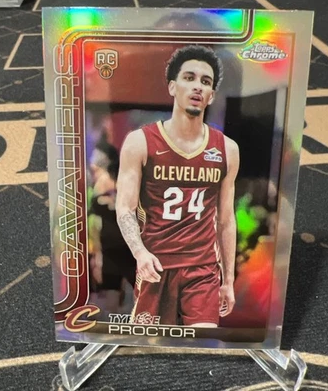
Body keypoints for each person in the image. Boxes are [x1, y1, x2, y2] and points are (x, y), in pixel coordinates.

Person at [116, 45, 240, 327]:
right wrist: (139, 253)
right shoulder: (140, 142)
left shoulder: (227, 149)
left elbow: (226, 220)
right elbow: (125, 208)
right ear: (172, 87)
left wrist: (228, 281)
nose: (197, 86)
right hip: (156, 266)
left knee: (204, 341)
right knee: (150, 346)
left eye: (205, 82)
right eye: (189, 77)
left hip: (203, 270)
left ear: (211, 95)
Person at [88, 138, 136, 317]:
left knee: (116, 292)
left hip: (119, 245)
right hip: (121, 244)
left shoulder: (107, 181)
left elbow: (95, 213)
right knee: (117, 294)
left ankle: (119, 321)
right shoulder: (125, 182)